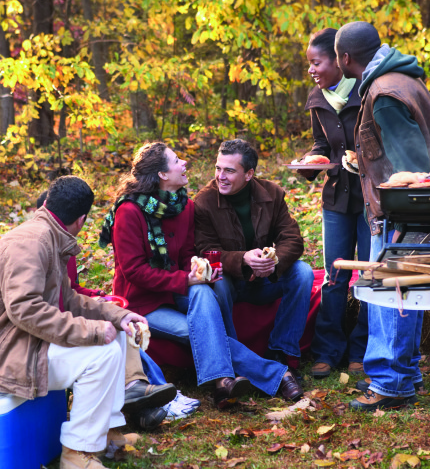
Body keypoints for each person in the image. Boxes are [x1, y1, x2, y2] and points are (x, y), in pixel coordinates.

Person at [0, 176, 156, 469]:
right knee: (101, 354)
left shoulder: (46, 236)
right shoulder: (31, 243)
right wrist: (90, 331)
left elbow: (70, 298)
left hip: (20, 344)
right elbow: (25, 309)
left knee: (116, 336)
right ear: (81, 219)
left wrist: (119, 316)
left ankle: (106, 434)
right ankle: (76, 453)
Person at [99, 142, 303, 408]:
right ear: (162, 174)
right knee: (197, 329)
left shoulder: (184, 207)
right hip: (144, 303)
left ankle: (224, 385)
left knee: (204, 289)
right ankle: (267, 376)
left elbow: (187, 254)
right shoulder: (129, 212)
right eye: (176, 160)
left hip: (176, 291)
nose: (185, 163)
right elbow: (134, 271)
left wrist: (197, 270)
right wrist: (185, 279)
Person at [335, 21, 430, 411]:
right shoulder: (396, 79)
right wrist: (367, 166)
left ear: (345, 58)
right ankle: (404, 374)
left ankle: (390, 384)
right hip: (401, 209)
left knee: (391, 292)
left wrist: (400, 218)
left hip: (402, 212)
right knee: (403, 290)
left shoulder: (385, 93)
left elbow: (414, 168)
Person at [36, 190, 195, 425]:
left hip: (67, 315)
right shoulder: (39, 249)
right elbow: (42, 305)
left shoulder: (64, 246)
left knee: (121, 325)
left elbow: (69, 290)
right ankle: (157, 395)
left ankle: (142, 407)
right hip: (55, 328)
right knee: (111, 333)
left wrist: (98, 296)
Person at [194, 139, 315, 373]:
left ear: (249, 174)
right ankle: (233, 356)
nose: (220, 176)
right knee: (218, 282)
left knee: (303, 272)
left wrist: (273, 263)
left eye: (229, 170)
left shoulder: (271, 193)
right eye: (218, 168)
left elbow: (292, 238)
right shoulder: (204, 201)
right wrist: (242, 259)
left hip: (265, 281)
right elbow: (205, 251)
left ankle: (282, 351)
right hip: (231, 284)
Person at [296, 28, 370, 379]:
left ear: (340, 61)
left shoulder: (367, 90)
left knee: (369, 276)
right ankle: (328, 351)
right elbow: (319, 145)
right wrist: (312, 160)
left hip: (370, 199)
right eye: (309, 63)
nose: (311, 69)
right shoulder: (318, 98)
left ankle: (361, 350)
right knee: (334, 277)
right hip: (336, 200)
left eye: (317, 62)